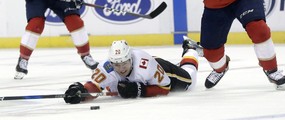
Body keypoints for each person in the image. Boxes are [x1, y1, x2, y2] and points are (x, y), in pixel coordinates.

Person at [63, 38, 203, 104]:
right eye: (116, 64)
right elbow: (95, 86)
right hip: (150, 75)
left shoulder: (145, 64)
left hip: (163, 70)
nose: (121, 68)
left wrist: (141, 91)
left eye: (124, 63)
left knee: (189, 81)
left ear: (130, 59)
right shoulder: (107, 67)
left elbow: (165, 88)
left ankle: (191, 49)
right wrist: (80, 91)